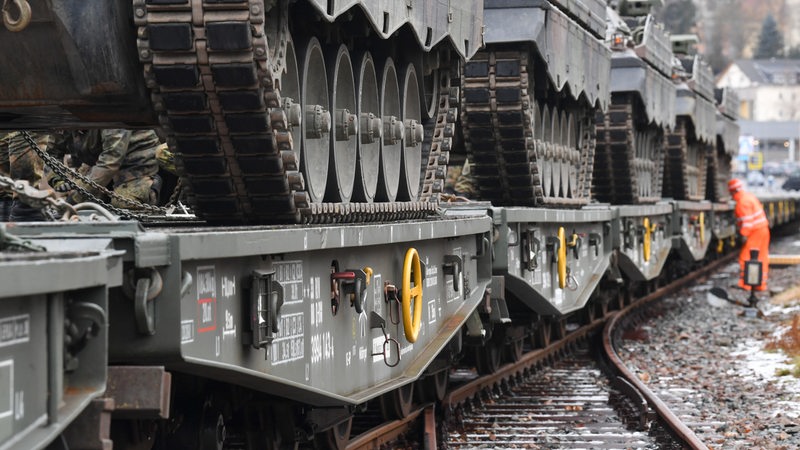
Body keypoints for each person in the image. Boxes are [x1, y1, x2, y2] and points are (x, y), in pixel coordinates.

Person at [55, 129, 162, 209]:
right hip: (96, 162)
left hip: (135, 163)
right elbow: (52, 152)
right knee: (83, 203)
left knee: (125, 205)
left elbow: (110, 160)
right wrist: (57, 180)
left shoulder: (109, 112)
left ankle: (148, 189)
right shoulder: (63, 114)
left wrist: (76, 197)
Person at [729, 178, 770, 291]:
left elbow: (747, 222)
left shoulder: (742, 202)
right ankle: (760, 284)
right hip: (763, 229)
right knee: (762, 257)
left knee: (745, 257)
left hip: (755, 232)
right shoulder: (749, 197)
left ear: (733, 192)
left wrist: (742, 235)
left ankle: (745, 284)